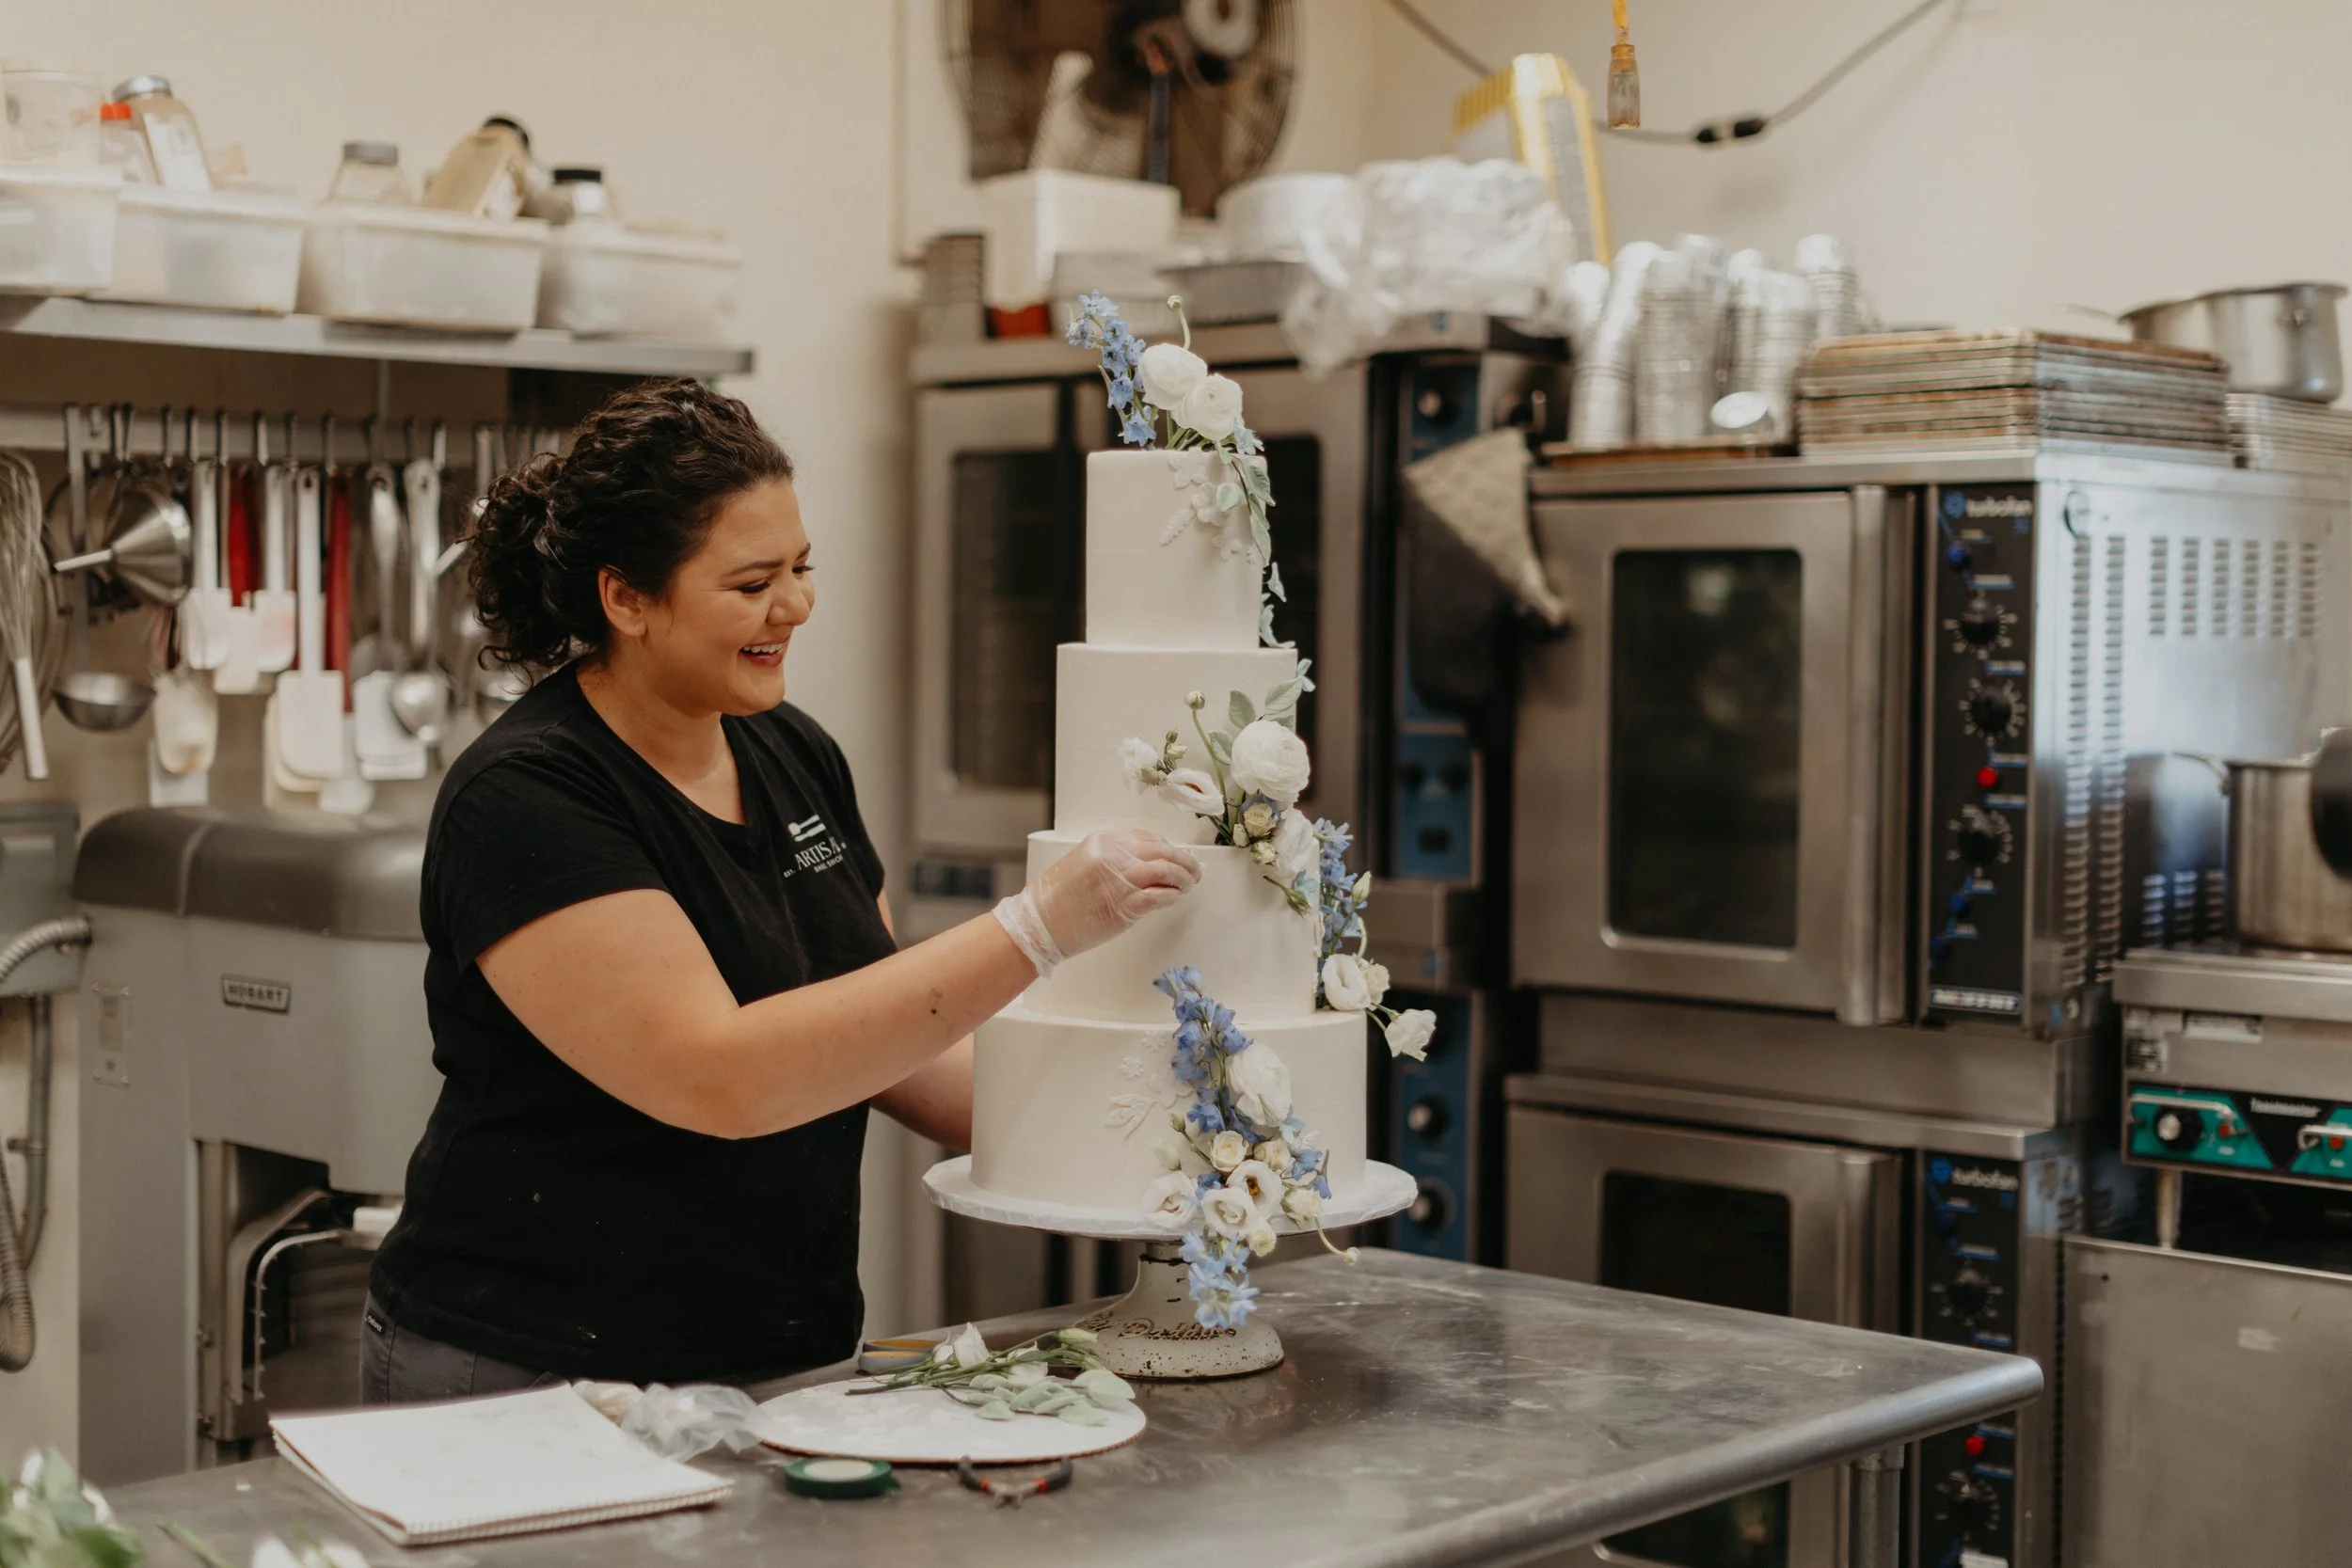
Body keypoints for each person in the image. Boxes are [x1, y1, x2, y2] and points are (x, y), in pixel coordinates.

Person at [361, 379, 1200, 1402]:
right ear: (626, 599)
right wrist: (1036, 928)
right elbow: (721, 1077)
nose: (795, 606)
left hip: (778, 1349)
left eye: (801, 568)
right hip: (533, 1370)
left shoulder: (792, 752)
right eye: (753, 582)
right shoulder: (529, 795)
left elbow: (891, 1042)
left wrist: (1155, 1137)